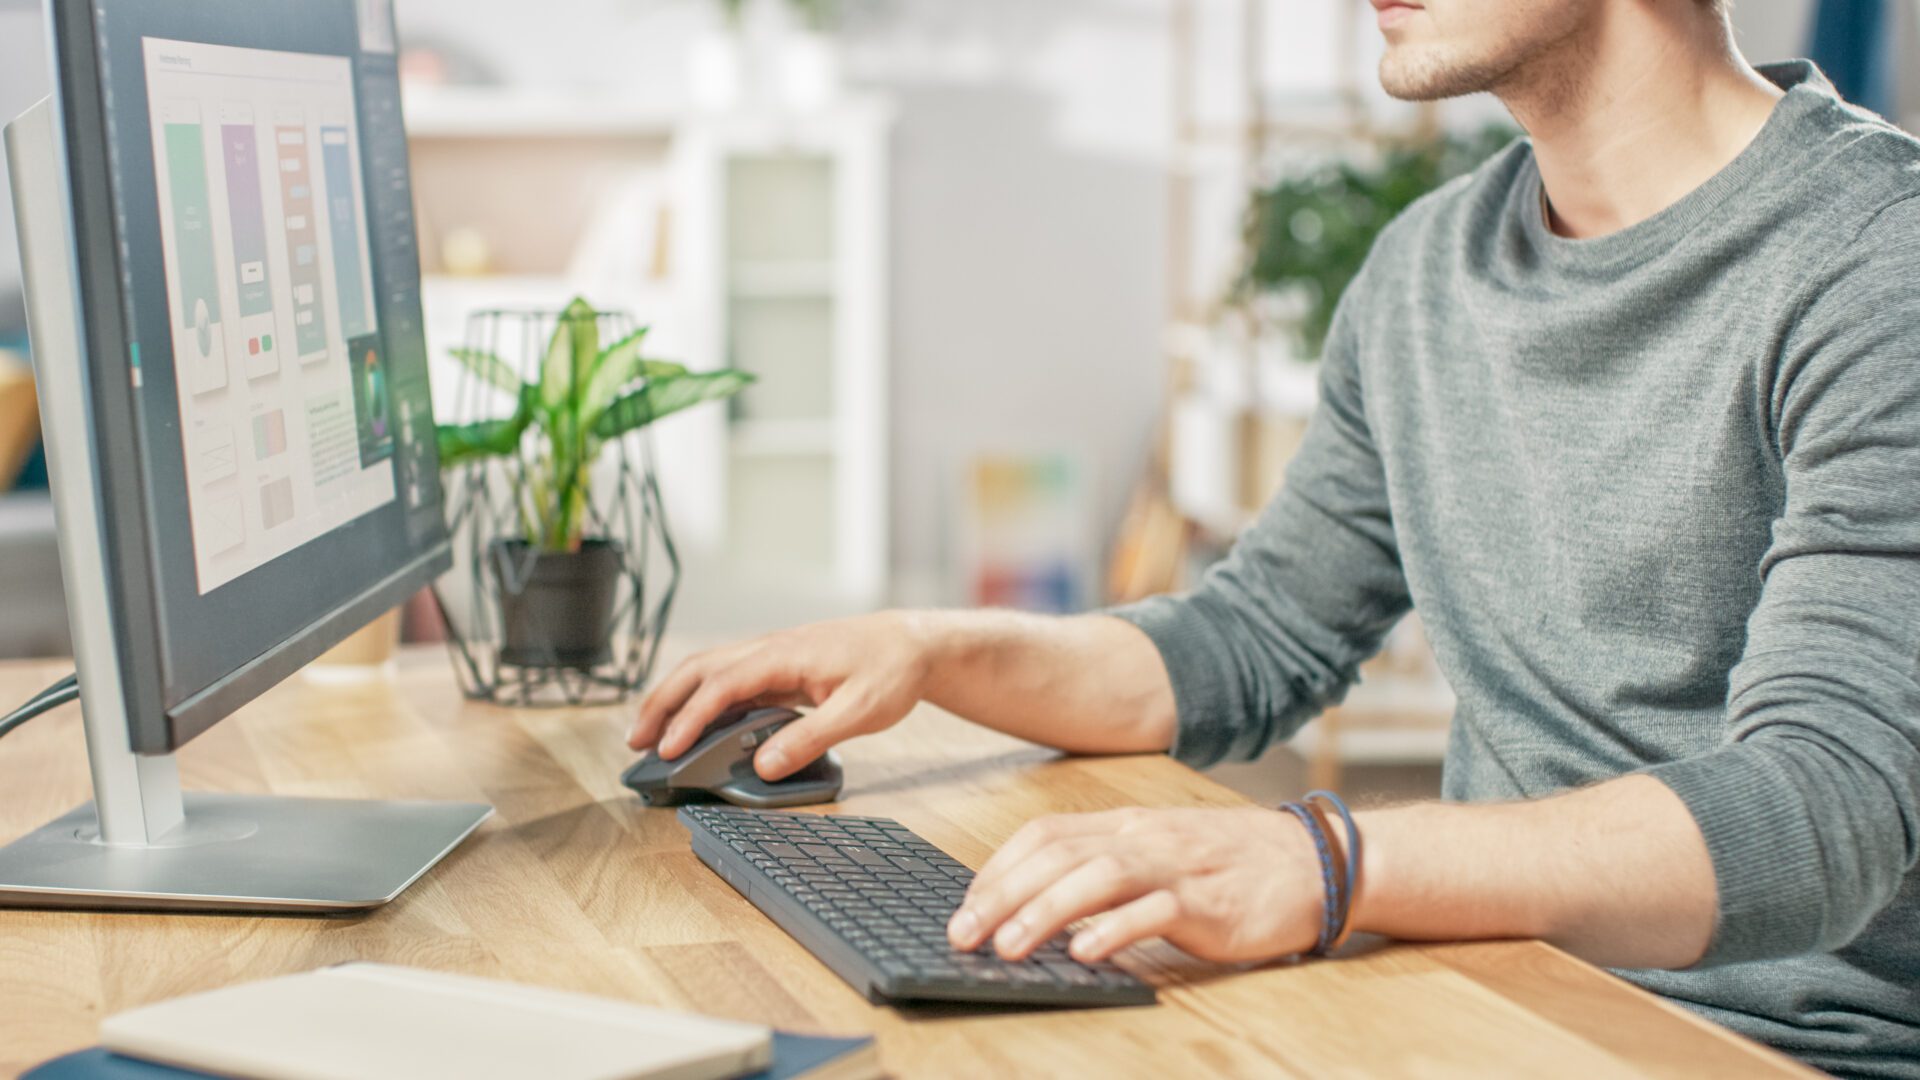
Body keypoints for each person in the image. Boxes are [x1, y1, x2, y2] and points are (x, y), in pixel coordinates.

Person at [630, 0, 1920, 1072]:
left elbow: (1827, 811)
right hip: (1470, 1008)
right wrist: (926, 651)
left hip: (1761, 1048)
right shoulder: (1423, 273)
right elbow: (1255, 639)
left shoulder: (1878, 260)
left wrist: (1323, 860)